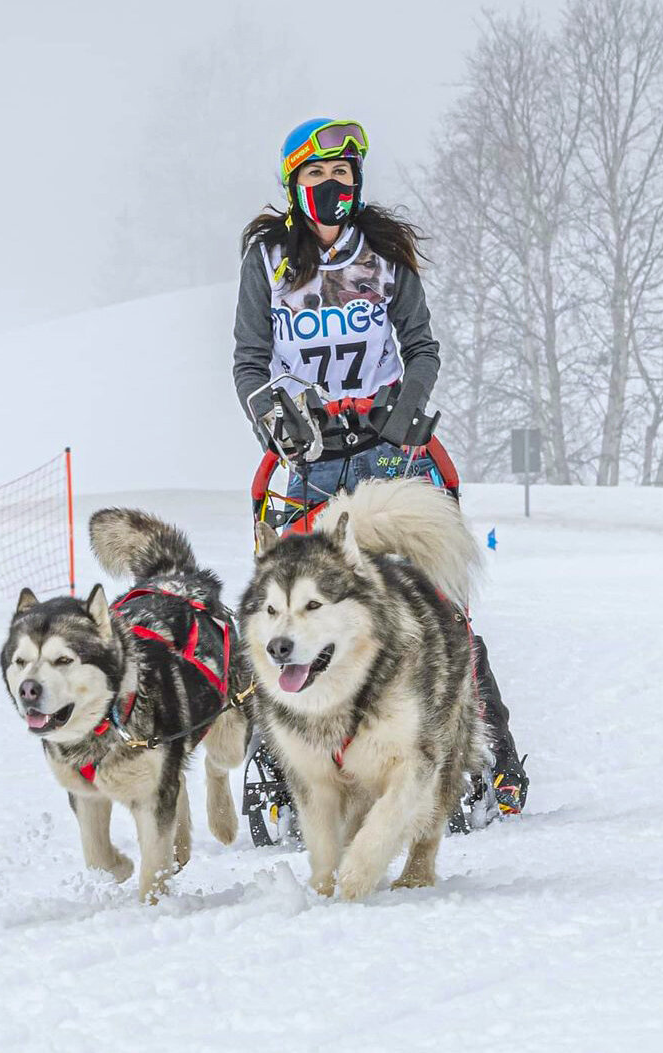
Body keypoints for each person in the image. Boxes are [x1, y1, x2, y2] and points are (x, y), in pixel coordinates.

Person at [232, 117, 528, 820]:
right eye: (316, 175)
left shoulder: (385, 253)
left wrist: (406, 404)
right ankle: (287, 772)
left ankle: (491, 757)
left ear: (356, 180)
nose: (331, 185)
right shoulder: (268, 260)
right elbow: (249, 360)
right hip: (309, 455)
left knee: (432, 604)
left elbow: (421, 345)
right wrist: (275, 419)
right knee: (300, 608)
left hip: (389, 448)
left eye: (341, 174)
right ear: (294, 186)